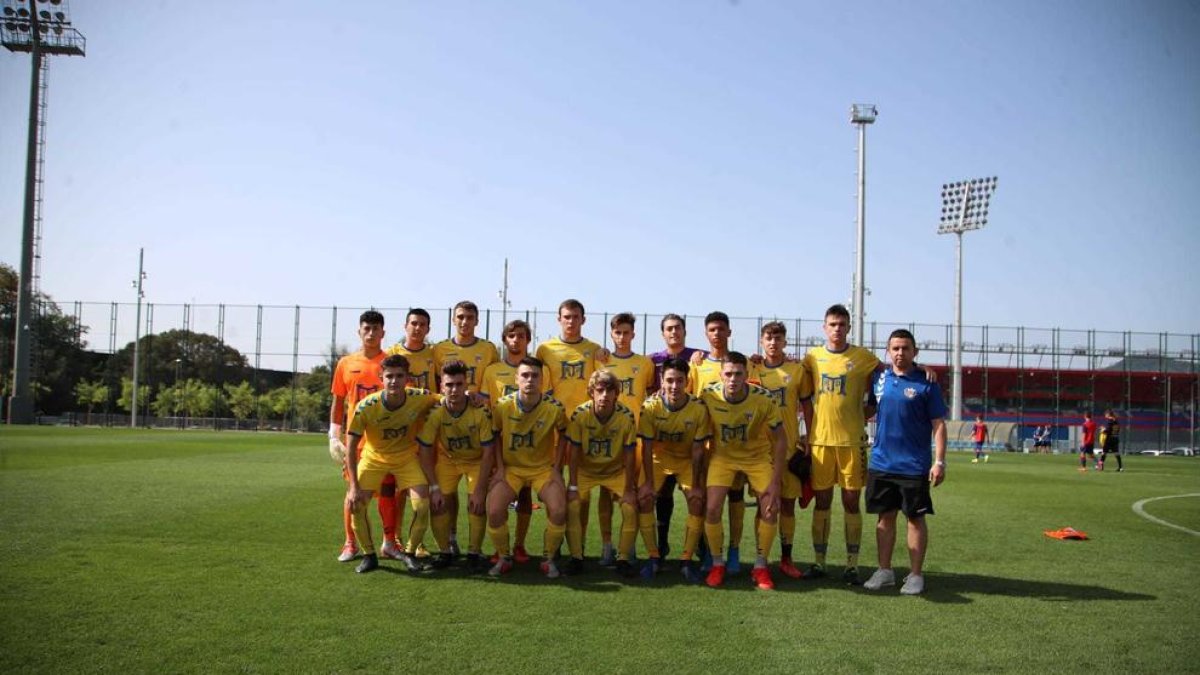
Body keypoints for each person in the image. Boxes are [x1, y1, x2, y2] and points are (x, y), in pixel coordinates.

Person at [861, 329, 947, 595]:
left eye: (905, 348)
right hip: (881, 462)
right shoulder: (879, 378)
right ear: (888, 351)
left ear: (915, 352)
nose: (900, 353)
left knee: (915, 519)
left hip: (913, 465)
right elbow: (868, 409)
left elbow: (939, 425)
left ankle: (916, 575)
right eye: (895, 348)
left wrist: (939, 462)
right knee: (884, 518)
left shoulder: (927, 382)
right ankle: (884, 570)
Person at [801, 304, 881, 585]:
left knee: (850, 502)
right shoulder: (812, 357)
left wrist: (922, 369)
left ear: (848, 327)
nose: (837, 328)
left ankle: (851, 565)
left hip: (852, 443)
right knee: (822, 502)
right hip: (820, 442)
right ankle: (819, 562)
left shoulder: (864, 357)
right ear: (824, 327)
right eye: (832, 324)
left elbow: (890, 374)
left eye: (842, 324)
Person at [344, 354, 440, 574]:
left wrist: (469, 397)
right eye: (389, 376)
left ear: (407, 378)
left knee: (422, 506)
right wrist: (353, 486)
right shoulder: (366, 406)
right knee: (355, 505)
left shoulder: (417, 396)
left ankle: (408, 553)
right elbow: (350, 447)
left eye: (399, 376)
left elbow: (440, 398)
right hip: (373, 458)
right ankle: (369, 556)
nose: (394, 381)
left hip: (406, 458)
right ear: (381, 378)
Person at [699, 352, 786, 590]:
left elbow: (780, 440)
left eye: (738, 374)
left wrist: (776, 482)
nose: (733, 378)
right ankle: (718, 564)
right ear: (721, 375)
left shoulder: (763, 398)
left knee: (769, 509)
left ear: (747, 375)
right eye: (728, 373)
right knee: (712, 508)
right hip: (723, 458)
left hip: (757, 458)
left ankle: (760, 567)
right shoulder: (708, 395)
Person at [535, 299, 613, 562]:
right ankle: (554, 545)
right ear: (558, 319)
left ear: (583, 319)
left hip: (585, 429)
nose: (571, 321)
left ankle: (578, 552)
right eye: (566, 316)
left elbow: (601, 385)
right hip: (554, 429)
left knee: (582, 492)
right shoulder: (544, 349)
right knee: (555, 487)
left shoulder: (594, 350)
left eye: (575, 317)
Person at [565, 370, 659, 577]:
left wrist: (628, 489)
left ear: (617, 394)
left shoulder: (625, 417)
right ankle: (576, 557)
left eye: (609, 391)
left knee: (629, 507)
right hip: (586, 470)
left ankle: (623, 558)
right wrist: (572, 486)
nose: (604, 395)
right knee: (571, 505)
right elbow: (573, 452)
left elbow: (628, 453)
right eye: (600, 390)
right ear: (591, 392)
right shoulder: (580, 414)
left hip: (615, 470)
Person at [485, 357, 570, 578]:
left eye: (535, 376)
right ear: (516, 378)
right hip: (512, 469)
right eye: (525, 375)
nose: (529, 380)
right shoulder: (503, 405)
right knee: (494, 510)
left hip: (542, 469)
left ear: (542, 380)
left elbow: (564, 435)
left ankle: (548, 559)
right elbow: (494, 434)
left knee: (560, 510)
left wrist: (557, 469)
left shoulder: (554, 408)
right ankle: (504, 557)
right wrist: (500, 469)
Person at [433, 301, 499, 556]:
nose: (465, 321)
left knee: (479, 497)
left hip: (478, 424)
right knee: (446, 496)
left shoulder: (488, 349)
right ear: (453, 319)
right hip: (447, 426)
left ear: (477, 321)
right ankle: (451, 539)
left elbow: (496, 379)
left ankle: (477, 550)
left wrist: (480, 395)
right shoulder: (440, 349)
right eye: (460, 317)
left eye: (470, 317)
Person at [416, 360, 496, 571]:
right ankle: (445, 552)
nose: (454, 389)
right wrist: (433, 487)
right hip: (448, 461)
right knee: (438, 503)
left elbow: (489, 452)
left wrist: (480, 490)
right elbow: (424, 449)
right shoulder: (436, 413)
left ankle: (473, 553)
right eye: (449, 385)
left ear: (467, 385)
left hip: (476, 461)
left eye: (459, 384)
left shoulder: (481, 411)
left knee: (476, 505)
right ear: (441, 386)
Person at [479, 319, 547, 563]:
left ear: (528, 340)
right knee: (498, 495)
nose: (516, 340)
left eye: (521, 336)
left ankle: (519, 545)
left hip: (530, 446)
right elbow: (487, 406)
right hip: (500, 443)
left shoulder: (540, 370)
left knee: (526, 496)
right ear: (505, 340)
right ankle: (501, 548)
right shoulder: (492, 370)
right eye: (511, 335)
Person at [750, 321, 813, 579]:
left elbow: (807, 406)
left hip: (787, 448)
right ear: (761, 342)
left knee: (787, 505)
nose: (773, 342)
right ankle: (760, 558)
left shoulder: (797, 371)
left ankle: (786, 558)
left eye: (778, 338)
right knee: (762, 506)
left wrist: (809, 434)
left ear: (785, 342)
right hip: (759, 450)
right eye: (768, 338)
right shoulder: (751, 366)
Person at [329, 310, 393, 563]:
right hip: (355, 441)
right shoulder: (346, 363)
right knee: (353, 492)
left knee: (388, 492)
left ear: (383, 333)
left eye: (376, 329)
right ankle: (350, 543)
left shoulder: (390, 364)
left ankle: (390, 541)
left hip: (382, 441)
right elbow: (338, 401)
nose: (371, 333)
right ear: (359, 331)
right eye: (366, 328)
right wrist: (334, 435)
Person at [639, 357, 710, 582]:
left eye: (679, 381)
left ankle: (687, 560)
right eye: (669, 380)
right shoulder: (650, 406)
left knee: (698, 501)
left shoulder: (698, 408)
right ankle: (653, 556)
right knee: (645, 498)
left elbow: (699, 450)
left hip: (686, 460)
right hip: (658, 460)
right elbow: (647, 447)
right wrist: (649, 483)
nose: (674, 386)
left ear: (687, 381)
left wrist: (697, 486)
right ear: (662, 380)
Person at [691, 311, 748, 574]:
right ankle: (709, 552)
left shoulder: (741, 363)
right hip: (707, 446)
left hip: (735, 446)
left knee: (735, 497)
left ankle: (734, 550)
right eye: (712, 329)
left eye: (721, 329)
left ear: (729, 332)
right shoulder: (698, 364)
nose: (717, 334)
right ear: (706, 334)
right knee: (706, 501)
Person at [598, 312, 656, 563]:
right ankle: (606, 544)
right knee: (605, 492)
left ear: (634, 334)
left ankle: (627, 545)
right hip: (607, 436)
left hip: (637, 438)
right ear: (611, 334)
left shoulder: (645, 364)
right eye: (617, 332)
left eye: (626, 332)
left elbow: (652, 393)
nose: (622, 337)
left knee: (631, 491)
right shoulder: (601, 362)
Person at [646, 313, 704, 560]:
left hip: (692, 434)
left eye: (677, 328)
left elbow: (729, 364)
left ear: (684, 331)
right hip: (661, 438)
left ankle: (699, 547)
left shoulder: (699, 357)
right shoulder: (652, 360)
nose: (673, 332)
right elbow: (647, 390)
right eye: (669, 329)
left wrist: (754, 359)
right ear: (662, 333)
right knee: (662, 494)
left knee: (697, 496)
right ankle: (661, 545)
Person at [385, 308, 437, 556]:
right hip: (401, 429)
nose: (417, 328)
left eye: (422, 324)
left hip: (427, 428)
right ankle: (393, 537)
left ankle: (418, 541)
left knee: (422, 486)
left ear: (428, 329)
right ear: (405, 326)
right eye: (413, 323)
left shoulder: (433, 354)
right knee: (399, 489)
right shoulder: (394, 353)